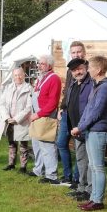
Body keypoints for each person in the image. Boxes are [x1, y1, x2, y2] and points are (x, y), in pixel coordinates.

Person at [72, 56, 107, 211]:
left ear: (98, 70)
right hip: (92, 130)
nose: (88, 70)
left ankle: (98, 200)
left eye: (90, 67)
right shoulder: (97, 85)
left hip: (98, 131)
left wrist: (80, 127)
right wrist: (81, 126)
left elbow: (96, 111)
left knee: (97, 167)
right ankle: (93, 198)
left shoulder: (105, 87)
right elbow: (89, 108)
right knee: (93, 165)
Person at [62, 59, 93, 201]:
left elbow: (92, 108)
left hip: (88, 129)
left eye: (80, 69)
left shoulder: (91, 84)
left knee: (90, 162)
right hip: (76, 129)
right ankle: (81, 187)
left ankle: (89, 190)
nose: (77, 72)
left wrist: (82, 126)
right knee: (81, 160)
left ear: (85, 67)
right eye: (74, 70)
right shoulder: (73, 85)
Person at [57, 41, 86, 187]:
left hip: (80, 114)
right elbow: (67, 91)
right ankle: (67, 175)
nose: (76, 54)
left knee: (79, 148)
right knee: (61, 143)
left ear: (84, 53)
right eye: (73, 52)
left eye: (79, 52)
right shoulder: (70, 70)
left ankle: (77, 178)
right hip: (67, 112)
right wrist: (62, 108)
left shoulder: (86, 70)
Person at [29, 54, 62, 184]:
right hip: (37, 115)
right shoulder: (41, 78)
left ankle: (51, 174)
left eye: (42, 63)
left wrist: (39, 114)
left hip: (46, 116)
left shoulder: (54, 79)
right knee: (36, 145)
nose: (39, 66)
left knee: (47, 146)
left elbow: (53, 102)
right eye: (39, 63)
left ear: (49, 65)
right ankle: (38, 169)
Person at [0, 67, 32, 173]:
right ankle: (11, 164)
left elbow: (29, 107)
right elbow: (2, 103)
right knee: (11, 143)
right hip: (9, 121)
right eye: (16, 75)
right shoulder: (8, 88)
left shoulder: (28, 88)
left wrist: (17, 119)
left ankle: (23, 166)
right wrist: (7, 117)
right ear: (13, 76)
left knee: (23, 145)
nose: (18, 77)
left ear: (24, 75)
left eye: (20, 75)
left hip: (22, 121)